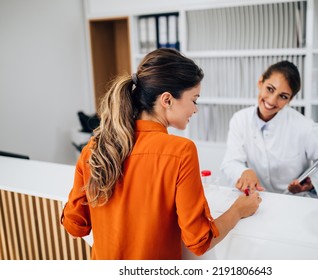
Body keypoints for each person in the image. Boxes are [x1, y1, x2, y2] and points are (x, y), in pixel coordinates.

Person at [61, 48, 261, 260]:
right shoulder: (181, 151)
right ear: (167, 100)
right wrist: (238, 210)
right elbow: (199, 240)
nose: (195, 110)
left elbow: (75, 226)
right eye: (194, 100)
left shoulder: (95, 147)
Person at [220, 60, 318, 198]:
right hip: (258, 198)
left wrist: (312, 182)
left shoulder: (304, 126)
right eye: (270, 89)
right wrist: (243, 172)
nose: (271, 101)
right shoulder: (240, 119)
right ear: (260, 82)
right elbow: (230, 162)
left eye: (283, 96)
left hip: (293, 200)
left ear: (289, 100)